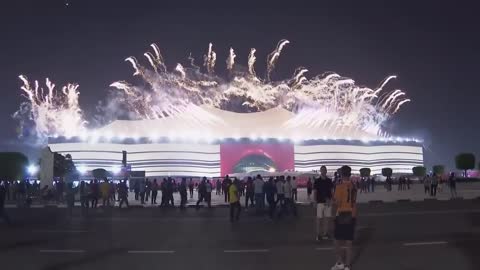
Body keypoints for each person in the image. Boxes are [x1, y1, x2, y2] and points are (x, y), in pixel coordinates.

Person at [331, 166, 357, 270]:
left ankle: (340, 262)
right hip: (352, 213)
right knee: (349, 241)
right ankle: (347, 265)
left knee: (337, 241)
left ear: (341, 174)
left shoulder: (339, 186)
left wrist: (332, 199)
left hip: (342, 214)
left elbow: (338, 202)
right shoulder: (353, 185)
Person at [314, 165, 334, 241]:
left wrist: (331, 200)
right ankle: (318, 234)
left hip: (328, 202)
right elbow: (315, 192)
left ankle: (325, 233)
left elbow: (332, 191)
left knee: (327, 219)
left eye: (324, 170)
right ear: (320, 171)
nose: (323, 171)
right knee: (319, 219)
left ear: (326, 171)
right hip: (319, 202)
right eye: (322, 170)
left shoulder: (329, 181)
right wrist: (315, 201)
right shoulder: (317, 181)